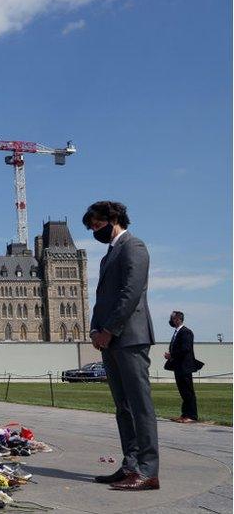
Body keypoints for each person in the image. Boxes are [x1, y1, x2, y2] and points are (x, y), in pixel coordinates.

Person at [82, 201, 159, 491]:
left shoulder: (133, 246)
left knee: (140, 407)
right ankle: (130, 466)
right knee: (123, 407)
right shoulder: (107, 256)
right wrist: (94, 329)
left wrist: (110, 330)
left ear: (113, 219)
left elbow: (131, 292)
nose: (94, 231)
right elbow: (102, 298)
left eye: (97, 225)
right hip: (109, 340)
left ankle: (148, 471)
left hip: (129, 337)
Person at [164, 311, 204, 423]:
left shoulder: (186, 332)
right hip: (178, 366)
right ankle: (184, 414)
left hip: (185, 366)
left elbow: (185, 349)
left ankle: (192, 415)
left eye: (172, 318)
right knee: (183, 391)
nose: (170, 321)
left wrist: (172, 355)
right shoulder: (177, 332)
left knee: (188, 391)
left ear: (177, 319)